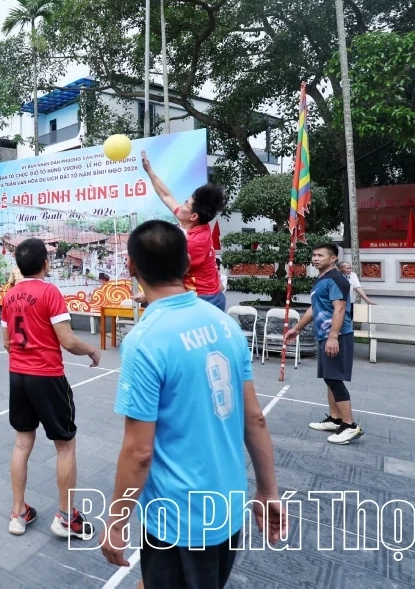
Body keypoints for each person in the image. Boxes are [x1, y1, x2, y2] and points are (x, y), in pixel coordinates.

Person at [101, 220, 285, 587]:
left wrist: (116, 520)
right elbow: (255, 419)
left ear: (132, 267)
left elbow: (139, 451)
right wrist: (267, 490)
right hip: (228, 505)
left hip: (179, 518)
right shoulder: (225, 324)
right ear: (187, 264)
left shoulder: (145, 341)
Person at [3, 238, 101, 540]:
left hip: (17, 376)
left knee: (22, 444)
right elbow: (68, 341)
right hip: (46, 377)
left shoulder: (9, 296)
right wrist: (92, 351)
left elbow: (6, 343)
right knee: (65, 446)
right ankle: (65, 517)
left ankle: (18, 514)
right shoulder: (50, 292)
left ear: (19, 266)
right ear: (46, 263)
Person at [285, 244, 363, 444]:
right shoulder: (321, 280)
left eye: (321, 255)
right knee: (330, 378)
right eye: (314, 255)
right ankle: (335, 419)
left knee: (335, 379)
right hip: (324, 335)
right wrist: (297, 328)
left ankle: (349, 426)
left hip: (337, 336)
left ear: (333, 259)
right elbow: (315, 308)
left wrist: (333, 337)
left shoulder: (337, 279)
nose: (316, 258)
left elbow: (339, 309)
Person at [134, 151, 228, 310]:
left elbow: (171, 277)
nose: (181, 205)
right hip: (201, 294)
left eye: (186, 203)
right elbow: (166, 195)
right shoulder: (193, 222)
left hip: (205, 300)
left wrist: (149, 294)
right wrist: (149, 170)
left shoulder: (194, 243)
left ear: (193, 216)